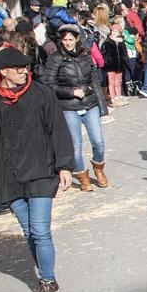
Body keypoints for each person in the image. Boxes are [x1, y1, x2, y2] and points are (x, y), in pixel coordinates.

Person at [0, 47, 71, 292]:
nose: (24, 72)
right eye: (18, 68)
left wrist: (64, 165)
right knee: (28, 232)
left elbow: (58, 129)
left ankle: (46, 283)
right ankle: (48, 277)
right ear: (2, 71)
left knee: (40, 231)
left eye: (26, 67)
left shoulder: (41, 94)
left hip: (41, 169)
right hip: (9, 174)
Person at [42, 23, 106, 191]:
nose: (68, 43)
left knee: (98, 141)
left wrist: (102, 106)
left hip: (89, 102)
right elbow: (49, 83)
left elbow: (94, 80)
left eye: (71, 39)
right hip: (68, 106)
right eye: (64, 40)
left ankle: (98, 169)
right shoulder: (55, 58)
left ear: (77, 39)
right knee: (75, 145)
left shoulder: (84, 56)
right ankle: (82, 176)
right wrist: (70, 92)